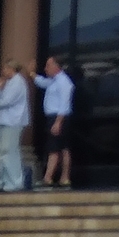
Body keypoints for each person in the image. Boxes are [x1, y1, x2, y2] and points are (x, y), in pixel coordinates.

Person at [0, 60, 32, 191]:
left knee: (10, 150)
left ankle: (15, 181)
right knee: (0, 151)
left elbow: (4, 102)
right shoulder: (7, 83)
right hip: (3, 120)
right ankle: (3, 179)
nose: (3, 71)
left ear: (11, 69)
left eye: (5, 68)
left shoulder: (18, 82)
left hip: (14, 121)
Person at [38, 54, 76, 188]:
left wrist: (58, 122)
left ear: (56, 66)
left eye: (48, 65)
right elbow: (42, 82)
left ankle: (48, 178)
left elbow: (64, 104)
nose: (46, 68)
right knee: (63, 148)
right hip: (54, 117)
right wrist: (31, 74)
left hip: (59, 118)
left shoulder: (64, 82)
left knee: (54, 148)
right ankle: (63, 178)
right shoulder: (53, 80)